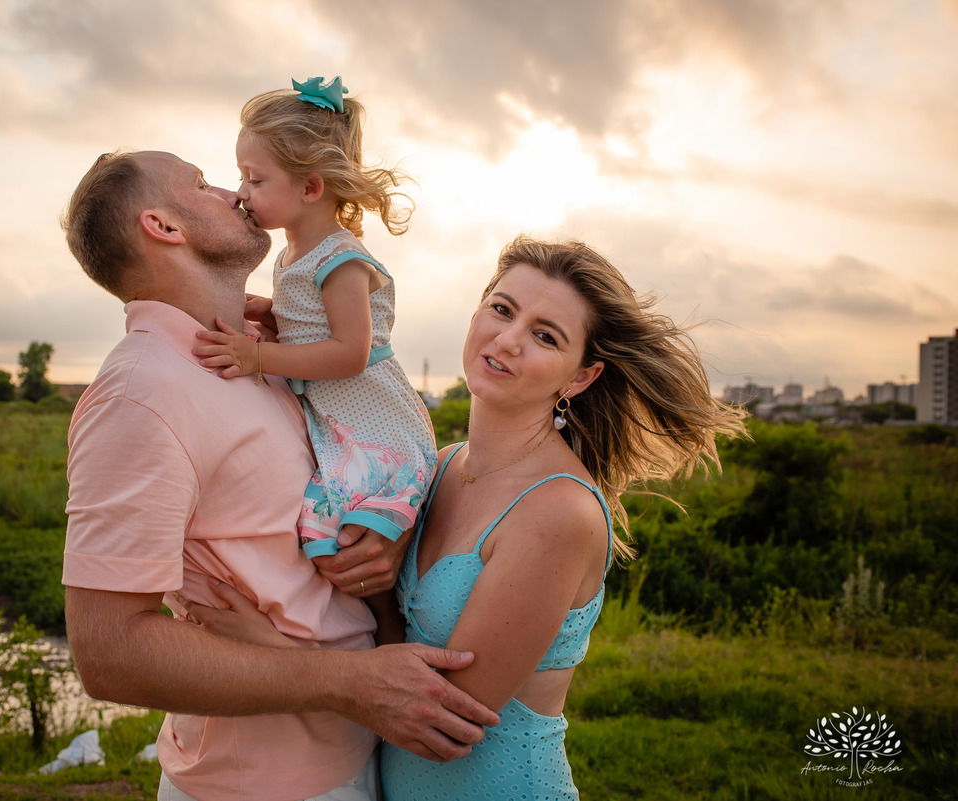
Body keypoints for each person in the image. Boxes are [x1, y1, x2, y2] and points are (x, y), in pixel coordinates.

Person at [186, 236, 747, 800]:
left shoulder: (559, 511)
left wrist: (273, 653)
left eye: (545, 336)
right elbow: (390, 639)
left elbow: (441, 724)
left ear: (579, 378)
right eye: (501, 309)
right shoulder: (442, 465)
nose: (507, 339)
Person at [59, 149, 498, 801]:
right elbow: (109, 654)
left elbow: (355, 474)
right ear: (164, 226)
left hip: (357, 750)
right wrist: (351, 682)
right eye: (202, 184)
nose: (235, 192)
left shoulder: (269, 358)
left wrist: (387, 539)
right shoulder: (142, 393)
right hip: (259, 783)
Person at [192, 76, 437, 561]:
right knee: (326, 540)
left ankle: (387, 631)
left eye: (255, 179)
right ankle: (373, 630)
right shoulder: (293, 254)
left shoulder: (340, 260)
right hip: (340, 424)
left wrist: (257, 355)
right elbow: (314, 326)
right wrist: (273, 312)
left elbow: (350, 353)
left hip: (375, 427)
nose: (241, 193)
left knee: (342, 543)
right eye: (242, 177)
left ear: (310, 187)